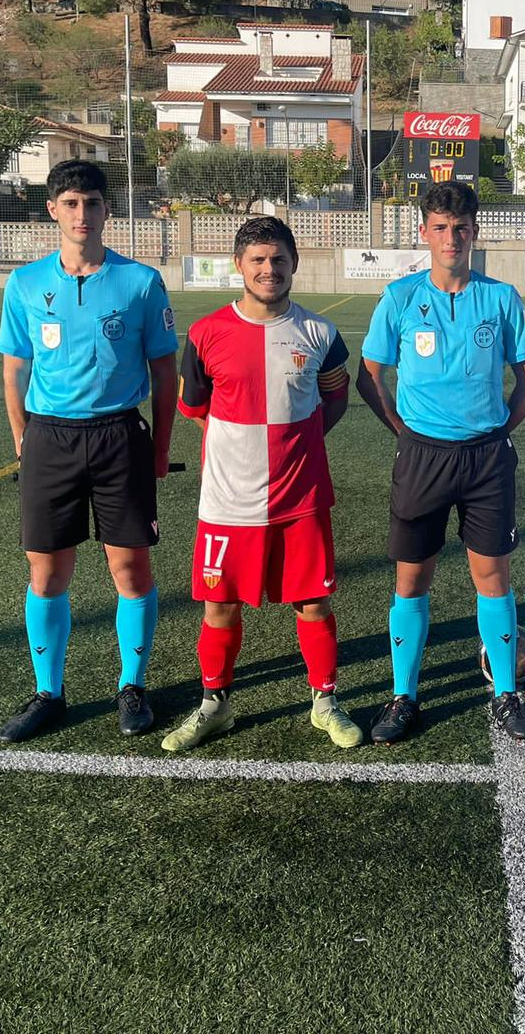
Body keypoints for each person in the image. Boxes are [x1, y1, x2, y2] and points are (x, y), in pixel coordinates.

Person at [163, 217, 364, 752]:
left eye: (278, 259)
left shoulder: (320, 334)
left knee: (313, 603)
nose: (268, 269)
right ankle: (215, 705)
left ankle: (325, 703)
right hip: (228, 501)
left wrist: (297, 445)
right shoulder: (205, 334)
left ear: (294, 263)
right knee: (219, 607)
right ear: (239, 265)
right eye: (257, 259)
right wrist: (241, 447)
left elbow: (335, 398)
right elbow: (194, 407)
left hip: (301, 499)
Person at [0, 159, 178, 742]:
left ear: (107, 209)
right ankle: (48, 692)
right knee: (47, 571)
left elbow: (165, 371)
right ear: (52, 209)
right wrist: (22, 438)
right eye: (71, 203)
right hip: (50, 439)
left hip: (119, 436)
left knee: (130, 567)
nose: (82, 214)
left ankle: (133, 686)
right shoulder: (25, 283)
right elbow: (15, 368)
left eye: (92, 203)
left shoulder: (140, 281)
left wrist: (160, 448)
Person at [357, 181, 525, 743]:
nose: (451, 238)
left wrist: (501, 431)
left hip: (486, 460)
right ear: (424, 232)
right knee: (412, 578)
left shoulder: (501, 298)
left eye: (460, 228)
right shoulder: (399, 297)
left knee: (492, 576)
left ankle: (506, 694)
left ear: (474, 232)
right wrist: (402, 430)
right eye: (440, 228)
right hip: (422, 457)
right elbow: (370, 375)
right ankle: (404, 696)